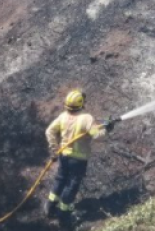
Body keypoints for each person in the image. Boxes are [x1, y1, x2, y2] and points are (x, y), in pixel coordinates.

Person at [43, 89, 116, 222]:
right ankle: (64, 215)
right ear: (81, 103)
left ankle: (50, 207)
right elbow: (97, 135)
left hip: (64, 156)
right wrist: (107, 129)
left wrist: (54, 149)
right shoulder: (86, 118)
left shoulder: (63, 116)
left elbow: (49, 131)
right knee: (71, 185)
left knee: (60, 180)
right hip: (78, 160)